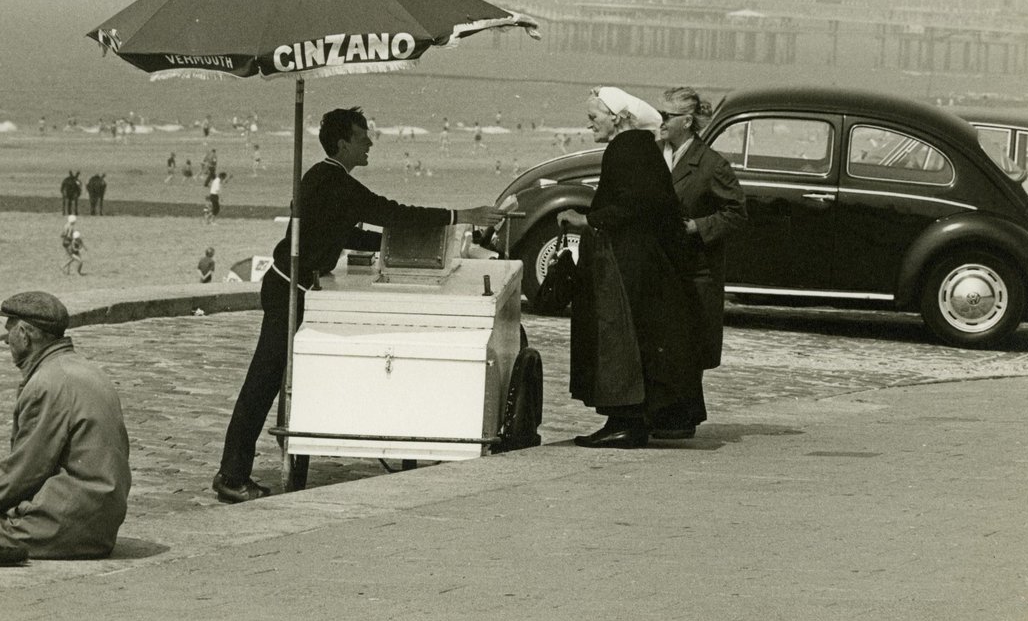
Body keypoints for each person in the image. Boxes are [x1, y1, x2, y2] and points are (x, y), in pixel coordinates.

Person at [212, 106, 506, 503]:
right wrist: (462, 215)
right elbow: (392, 214)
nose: (369, 142)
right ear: (342, 142)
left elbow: (343, 231)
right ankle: (231, 475)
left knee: (270, 380)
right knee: (262, 383)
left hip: (289, 284)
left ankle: (240, 468)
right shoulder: (337, 183)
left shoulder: (324, 177)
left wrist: (388, 247)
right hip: (288, 290)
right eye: (362, 136)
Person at [0, 291, 130, 564]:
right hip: (97, 522)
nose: (7, 339)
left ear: (25, 334)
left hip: (62, 525)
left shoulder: (47, 383)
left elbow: (25, 470)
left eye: (10, 330)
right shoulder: (84, 369)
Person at [557, 87, 704, 449]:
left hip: (624, 264)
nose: (590, 123)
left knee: (618, 341)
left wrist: (587, 219)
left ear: (616, 117)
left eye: (594, 117)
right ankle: (628, 420)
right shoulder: (641, 147)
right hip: (637, 262)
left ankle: (624, 422)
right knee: (634, 342)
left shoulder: (626, 148)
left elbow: (636, 204)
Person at [656, 86, 748, 436]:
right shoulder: (655, 154)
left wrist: (698, 226)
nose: (660, 122)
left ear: (687, 120)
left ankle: (682, 420)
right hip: (664, 267)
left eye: (666, 116)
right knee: (667, 343)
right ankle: (670, 416)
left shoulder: (711, 164)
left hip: (695, 270)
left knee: (689, 346)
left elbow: (736, 214)